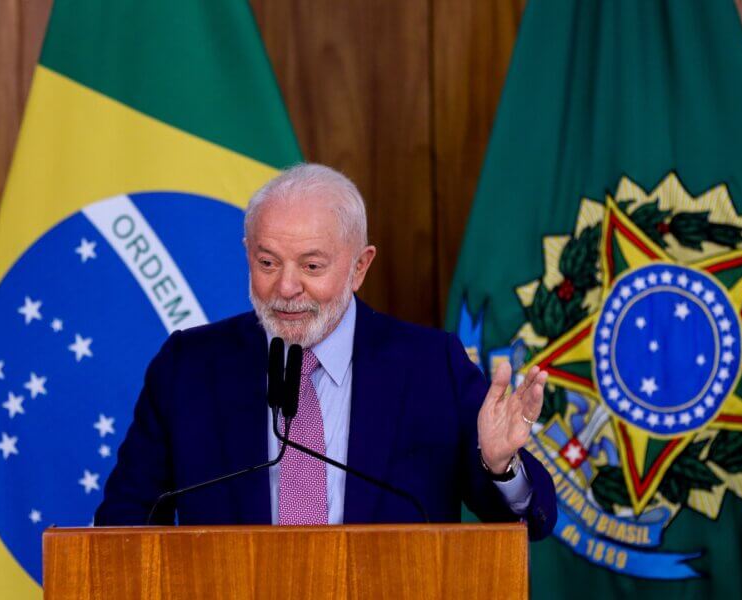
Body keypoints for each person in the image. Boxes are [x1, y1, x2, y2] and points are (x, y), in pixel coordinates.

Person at [95, 163, 557, 539]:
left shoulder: (430, 367)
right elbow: (122, 524)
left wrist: (499, 465)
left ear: (359, 267)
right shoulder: (189, 368)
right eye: (267, 262)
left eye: (312, 265)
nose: (287, 286)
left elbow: (531, 520)